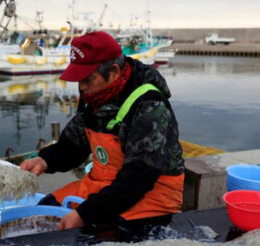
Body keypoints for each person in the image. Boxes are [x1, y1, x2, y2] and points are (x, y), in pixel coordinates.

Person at [20, 31, 184, 230]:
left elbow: (138, 177)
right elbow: (72, 146)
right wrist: (44, 160)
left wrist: (85, 214)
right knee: (44, 211)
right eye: (78, 80)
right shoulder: (93, 96)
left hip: (152, 193)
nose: (81, 88)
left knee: (100, 233)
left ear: (114, 71)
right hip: (103, 183)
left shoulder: (150, 105)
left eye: (87, 79)